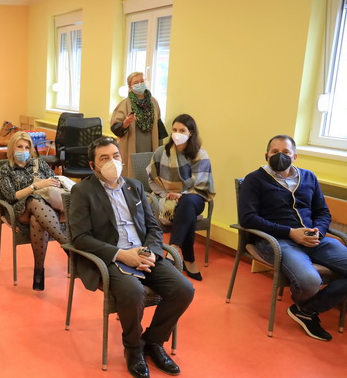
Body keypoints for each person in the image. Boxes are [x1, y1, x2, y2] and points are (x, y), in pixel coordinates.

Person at [69, 136, 194, 378]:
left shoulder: (134, 187)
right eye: (104, 158)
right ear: (93, 165)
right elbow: (80, 237)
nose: (112, 162)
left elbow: (153, 227)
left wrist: (151, 252)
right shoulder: (82, 191)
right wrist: (122, 254)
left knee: (184, 289)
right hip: (112, 258)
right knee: (133, 292)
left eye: (115, 156)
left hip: (144, 253)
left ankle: (153, 342)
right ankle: (134, 348)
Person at [239, 135, 347, 341]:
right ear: (266, 155)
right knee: (309, 282)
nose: (280, 156)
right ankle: (307, 305)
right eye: (275, 152)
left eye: (286, 152)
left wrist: (318, 231)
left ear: (295, 156)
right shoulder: (254, 180)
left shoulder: (309, 177)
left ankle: (306, 310)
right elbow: (248, 218)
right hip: (277, 240)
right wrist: (290, 232)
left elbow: (323, 212)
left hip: (313, 238)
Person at [146, 114, 215, 281]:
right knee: (187, 213)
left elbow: (201, 184)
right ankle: (189, 260)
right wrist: (166, 194)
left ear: (190, 133)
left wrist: (182, 194)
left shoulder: (200, 154)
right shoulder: (161, 152)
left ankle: (174, 248)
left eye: (182, 130)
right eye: (174, 129)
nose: (177, 133)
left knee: (187, 202)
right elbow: (151, 178)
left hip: (195, 197)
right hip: (166, 198)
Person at [0, 131, 67, 290]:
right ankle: (66, 244)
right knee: (33, 199)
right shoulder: (6, 169)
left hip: (45, 210)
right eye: (19, 147)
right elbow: (11, 196)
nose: (23, 150)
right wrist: (35, 186)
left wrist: (52, 183)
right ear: (12, 148)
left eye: (27, 147)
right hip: (20, 209)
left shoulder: (39, 163)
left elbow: (55, 182)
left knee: (37, 220)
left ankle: (38, 271)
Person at [110, 71, 164, 178]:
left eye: (142, 81)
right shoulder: (125, 104)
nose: (139, 84)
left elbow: (159, 126)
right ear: (130, 86)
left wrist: (161, 149)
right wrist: (127, 122)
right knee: (132, 174)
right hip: (131, 146)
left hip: (150, 145)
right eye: (135, 82)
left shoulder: (154, 102)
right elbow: (115, 128)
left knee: (149, 174)